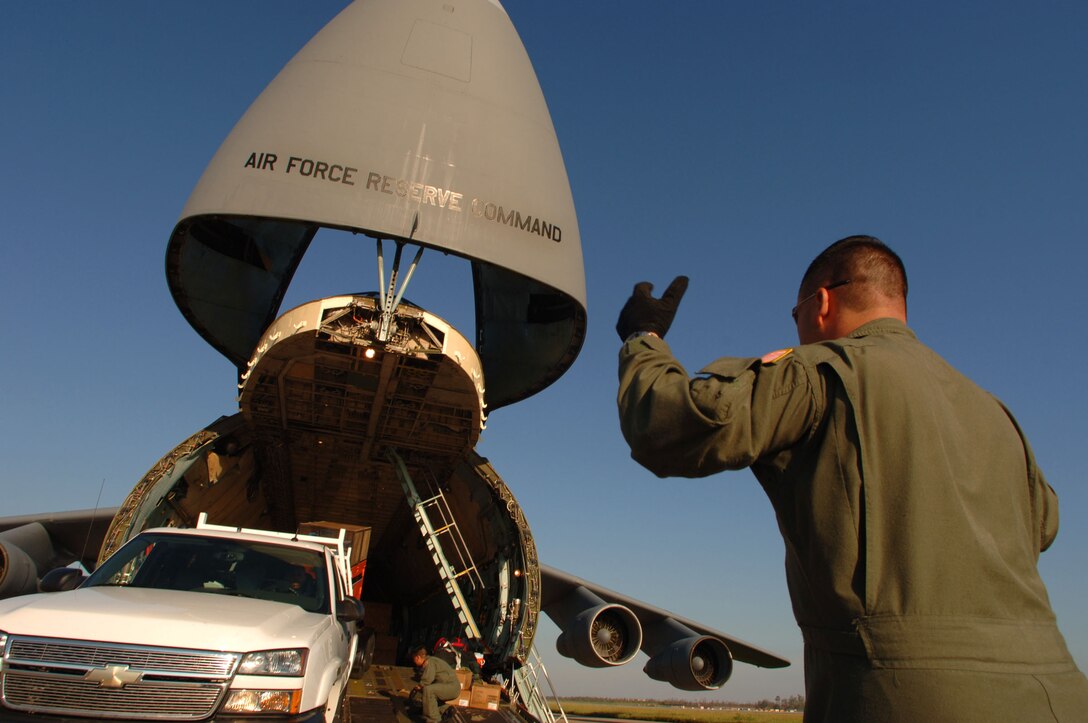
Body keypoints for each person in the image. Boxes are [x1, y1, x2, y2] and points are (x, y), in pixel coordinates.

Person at [615, 236, 1088, 722]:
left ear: (820, 303)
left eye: (794, 313)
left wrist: (643, 339)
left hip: (902, 696)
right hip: (1059, 693)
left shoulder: (820, 372)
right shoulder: (994, 413)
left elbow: (666, 426)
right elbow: (1045, 524)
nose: (796, 327)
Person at [410, 645, 462, 723]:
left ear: (417, 657)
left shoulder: (430, 662)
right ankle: (445, 709)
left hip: (452, 687)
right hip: (451, 686)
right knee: (430, 694)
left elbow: (426, 680)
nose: (414, 662)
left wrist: (417, 688)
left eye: (414, 659)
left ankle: (434, 719)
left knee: (428, 690)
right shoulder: (432, 660)